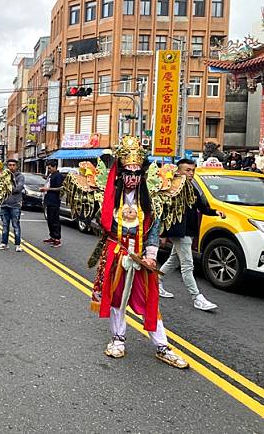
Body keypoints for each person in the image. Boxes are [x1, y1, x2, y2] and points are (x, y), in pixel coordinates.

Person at [64, 136, 189, 369]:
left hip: (141, 256)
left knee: (148, 300)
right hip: (116, 253)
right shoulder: (107, 196)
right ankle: (118, 338)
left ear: (142, 171)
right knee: (116, 299)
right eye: (128, 169)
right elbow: (95, 221)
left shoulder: (152, 198)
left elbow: (154, 230)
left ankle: (162, 346)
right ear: (121, 171)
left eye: (136, 170)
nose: (132, 175)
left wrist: (151, 256)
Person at [159, 159, 225, 310]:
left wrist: (215, 212)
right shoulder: (171, 187)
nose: (191, 173)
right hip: (178, 231)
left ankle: (155, 281)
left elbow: (201, 207)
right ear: (179, 170)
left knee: (173, 260)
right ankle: (197, 297)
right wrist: (162, 233)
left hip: (190, 230)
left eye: (193, 170)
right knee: (187, 265)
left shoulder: (192, 188)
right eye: (187, 170)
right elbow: (164, 210)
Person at [0, 159, 24, 252]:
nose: (11, 167)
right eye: (9, 165)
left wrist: (6, 186)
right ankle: (4, 243)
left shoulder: (20, 176)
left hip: (15, 205)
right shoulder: (3, 176)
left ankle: (17, 244)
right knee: (4, 225)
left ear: (16, 166)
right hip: (4, 204)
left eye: (13, 165)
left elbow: (18, 188)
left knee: (16, 225)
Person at [40, 159, 64, 247]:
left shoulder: (58, 176)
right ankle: (52, 236)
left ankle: (57, 239)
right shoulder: (51, 175)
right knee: (49, 220)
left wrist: (47, 189)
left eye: (50, 168)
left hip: (54, 201)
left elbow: (60, 188)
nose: (49, 170)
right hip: (48, 200)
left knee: (55, 220)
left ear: (55, 167)